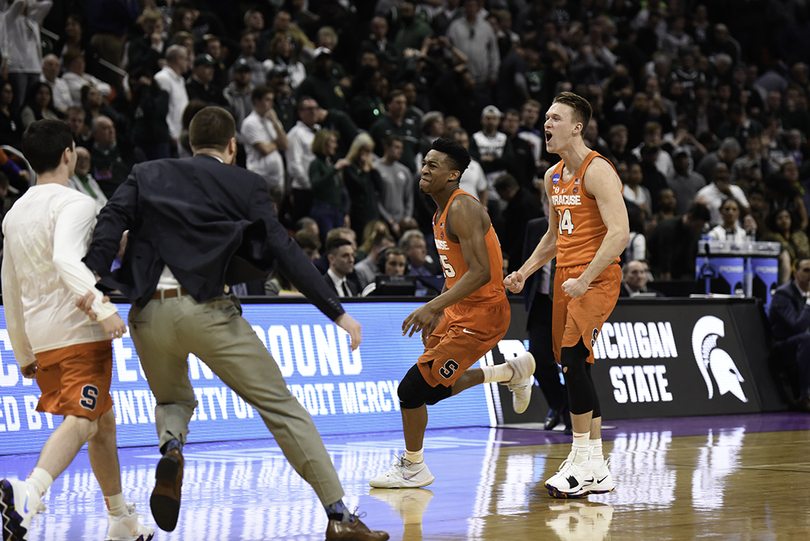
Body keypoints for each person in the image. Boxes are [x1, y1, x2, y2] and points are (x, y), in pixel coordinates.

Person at [79, 107, 388, 541]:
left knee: (172, 399)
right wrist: (336, 310)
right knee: (281, 408)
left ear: (188, 144)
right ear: (232, 147)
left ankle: (172, 448)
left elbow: (110, 221)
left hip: (147, 313)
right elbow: (283, 247)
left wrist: (90, 276)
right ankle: (339, 516)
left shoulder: (146, 172)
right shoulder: (245, 182)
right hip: (208, 311)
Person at [0, 119, 153, 541]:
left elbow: (8, 287)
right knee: (84, 419)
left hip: (41, 337)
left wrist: (22, 350)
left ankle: (121, 518)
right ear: (69, 153)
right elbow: (69, 260)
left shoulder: (14, 213)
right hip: (78, 331)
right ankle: (29, 493)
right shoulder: (77, 203)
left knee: (102, 420)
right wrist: (102, 307)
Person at [369, 138, 535, 489]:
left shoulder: (463, 208)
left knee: (411, 391)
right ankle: (509, 372)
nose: (425, 170)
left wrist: (432, 306)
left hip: (484, 314)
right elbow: (455, 274)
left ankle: (414, 467)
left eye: (433, 165)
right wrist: (439, 311)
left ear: (453, 175)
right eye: (424, 163)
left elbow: (481, 273)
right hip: (459, 308)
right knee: (428, 391)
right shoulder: (438, 213)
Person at [504, 92, 630, 498]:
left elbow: (620, 234)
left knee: (573, 362)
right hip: (567, 277)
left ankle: (583, 462)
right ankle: (597, 466)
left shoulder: (599, 171)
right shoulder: (553, 176)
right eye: (545, 117)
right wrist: (524, 272)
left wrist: (586, 278)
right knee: (574, 365)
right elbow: (555, 237)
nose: (546, 124)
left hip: (598, 276)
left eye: (555, 118)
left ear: (577, 126)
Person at [768, 256, 810, 413]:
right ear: (795, 273)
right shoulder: (783, 295)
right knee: (807, 338)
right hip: (782, 348)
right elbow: (797, 326)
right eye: (806, 270)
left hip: (803, 342)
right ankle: (804, 397)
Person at [241, 85, 288, 202]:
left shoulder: (272, 121)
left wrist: (275, 123)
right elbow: (264, 150)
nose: (271, 104)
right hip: (260, 178)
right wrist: (277, 143)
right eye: (267, 100)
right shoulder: (250, 122)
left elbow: (286, 145)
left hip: (277, 180)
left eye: (272, 100)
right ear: (257, 101)